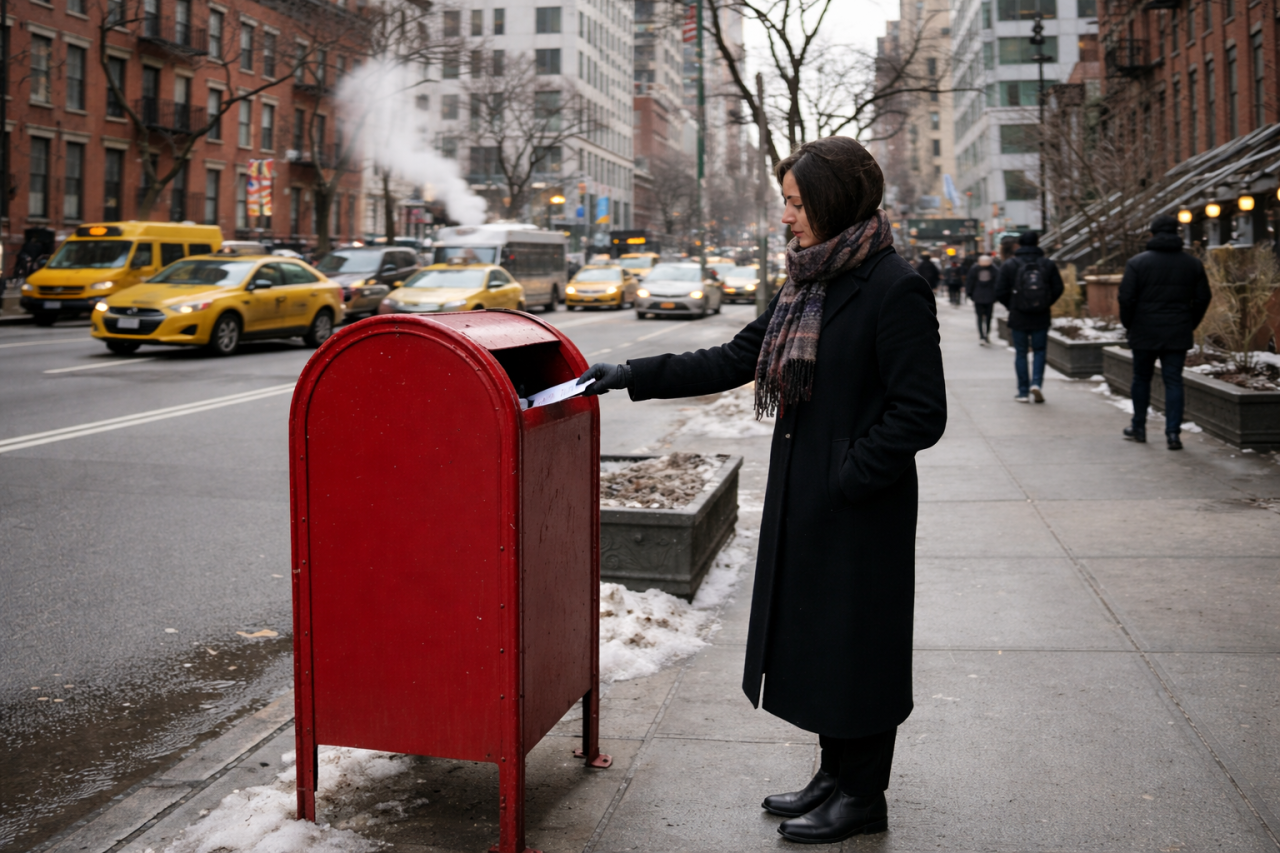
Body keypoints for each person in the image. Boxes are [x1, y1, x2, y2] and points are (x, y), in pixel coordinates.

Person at [577, 136, 947, 843]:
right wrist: (631, 373)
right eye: (786, 200)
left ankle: (864, 794)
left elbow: (921, 410)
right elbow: (737, 356)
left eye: (796, 202)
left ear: (834, 202)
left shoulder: (893, 285)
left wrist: (850, 474)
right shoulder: (810, 280)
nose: (785, 216)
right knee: (823, 637)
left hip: (860, 505)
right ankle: (835, 774)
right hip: (809, 494)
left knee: (859, 642)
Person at [1118, 214, 1212, 450]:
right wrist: (1189, 323)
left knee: (1141, 378)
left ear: (1152, 234)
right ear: (1177, 234)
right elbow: (1203, 298)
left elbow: (1126, 298)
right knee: (1173, 381)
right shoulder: (1192, 264)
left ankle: (1138, 427)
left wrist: (1130, 324)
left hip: (1144, 330)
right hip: (1177, 330)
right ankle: (1173, 434)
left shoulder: (1137, 263)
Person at [995, 231, 1064, 403]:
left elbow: (1000, 291)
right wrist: (1046, 302)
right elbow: (1058, 288)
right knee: (1040, 351)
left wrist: (1013, 305)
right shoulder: (1047, 263)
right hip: (1041, 315)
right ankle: (1037, 384)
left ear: (1019, 244)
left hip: (1018, 315)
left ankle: (1023, 391)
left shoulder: (1011, 264)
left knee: (1021, 353)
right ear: (1037, 242)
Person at [966, 254, 998, 344]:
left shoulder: (974, 269)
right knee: (988, 317)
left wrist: (970, 294)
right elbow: (997, 282)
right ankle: (986, 334)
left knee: (979, 317)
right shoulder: (994, 269)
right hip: (990, 296)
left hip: (978, 296)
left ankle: (981, 336)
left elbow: (969, 282)